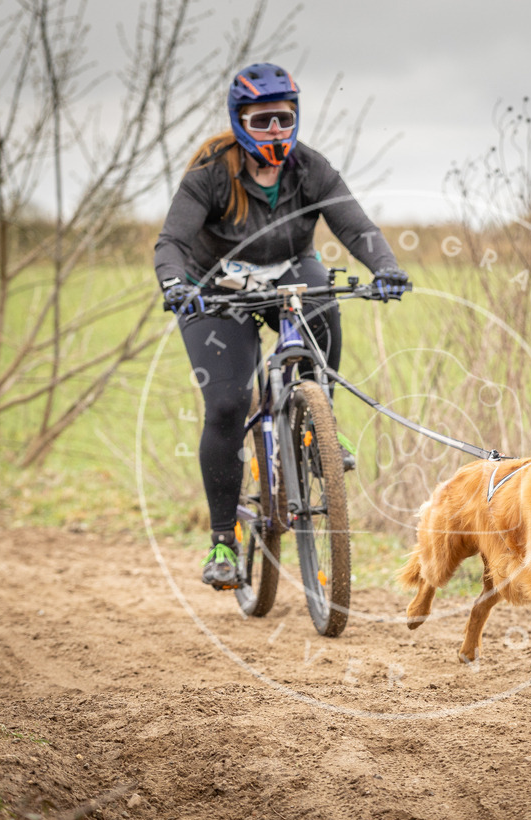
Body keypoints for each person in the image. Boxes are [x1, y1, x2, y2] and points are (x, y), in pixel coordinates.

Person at [154, 62, 408, 590]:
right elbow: (172, 242)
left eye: (284, 119)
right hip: (216, 287)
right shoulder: (210, 174)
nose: (275, 131)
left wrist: (385, 267)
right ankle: (223, 541)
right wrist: (175, 284)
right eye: (263, 120)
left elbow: (356, 226)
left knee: (324, 304)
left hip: (290, 270)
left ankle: (319, 424)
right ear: (240, 121)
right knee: (227, 405)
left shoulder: (310, 168)